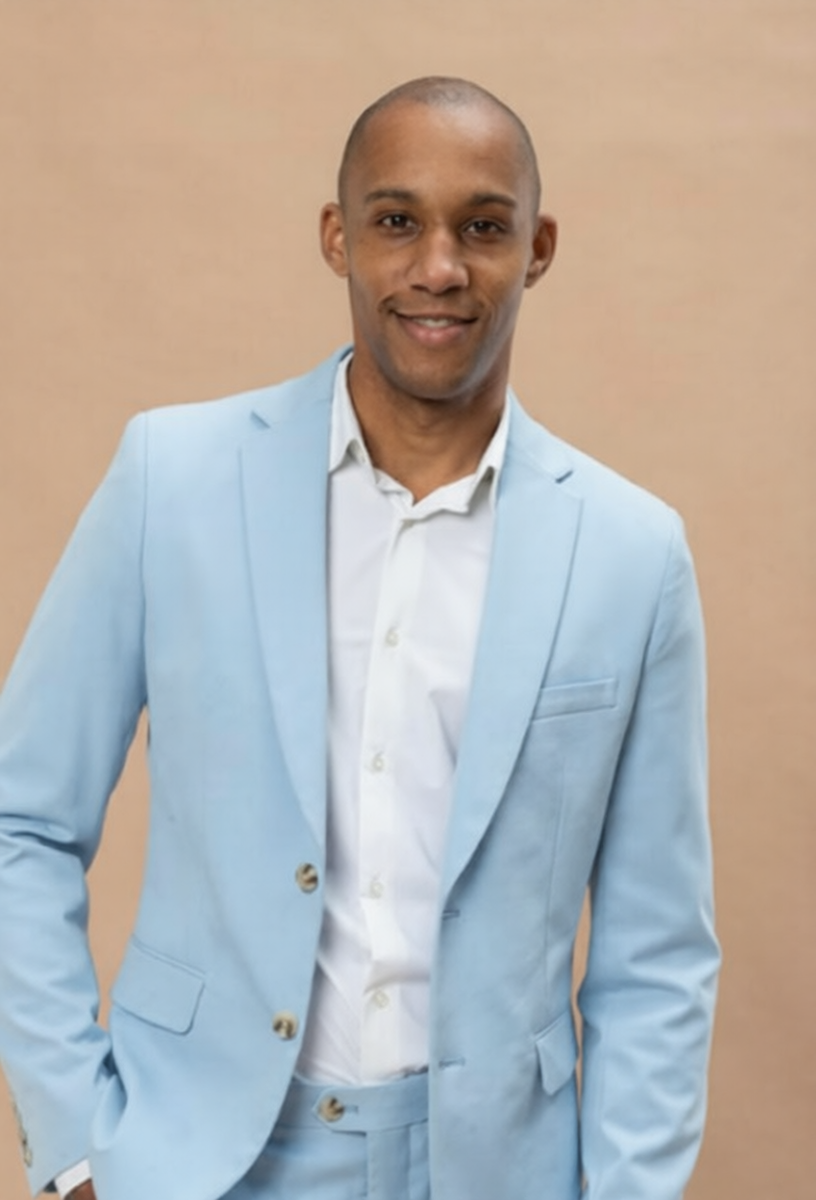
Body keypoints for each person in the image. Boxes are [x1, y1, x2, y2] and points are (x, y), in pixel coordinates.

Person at [0, 77, 719, 1200]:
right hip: (197, 1160)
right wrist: (79, 1146)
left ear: (538, 249)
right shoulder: (172, 481)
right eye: (396, 221)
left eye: (483, 227)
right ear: (338, 237)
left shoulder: (631, 552)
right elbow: (20, 820)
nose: (439, 267)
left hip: (498, 1172)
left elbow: (658, 953)